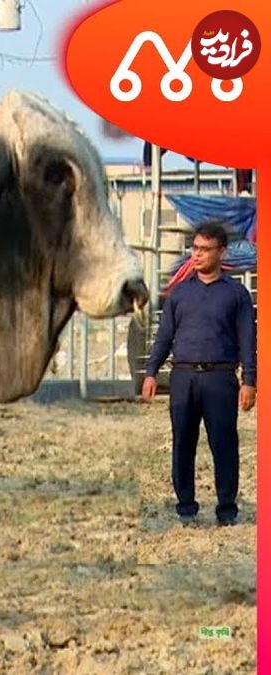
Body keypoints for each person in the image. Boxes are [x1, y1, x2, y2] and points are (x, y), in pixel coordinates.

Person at [141, 221, 256, 527]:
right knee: (183, 442)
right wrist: (151, 372)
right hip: (183, 378)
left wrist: (249, 382)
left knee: (224, 443)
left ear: (221, 251)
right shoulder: (179, 295)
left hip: (220, 379)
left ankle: (227, 509)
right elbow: (164, 337)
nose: (198, 255)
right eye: (195, 248)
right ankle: (186, 507)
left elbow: (248, 341)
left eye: (205, 249)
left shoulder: (237, 294)